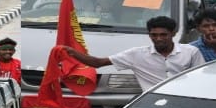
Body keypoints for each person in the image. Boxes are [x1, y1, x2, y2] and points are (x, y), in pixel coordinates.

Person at [63, 16, 205, 91]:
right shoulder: (136, 55)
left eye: (163, 35)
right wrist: (72, 52)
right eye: (154, 35)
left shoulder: (191, 52)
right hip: (153, 106)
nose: (158, 39)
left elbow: (201, 79)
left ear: (173, 34)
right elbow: (98, 63)